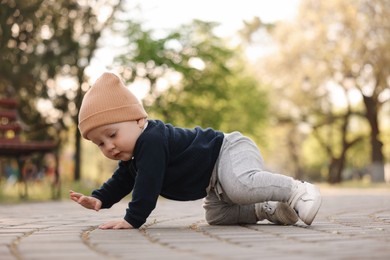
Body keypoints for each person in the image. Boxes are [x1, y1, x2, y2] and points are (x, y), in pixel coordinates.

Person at [70, 72, 321, 230]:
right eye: (100, 144)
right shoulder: (133, 156)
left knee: (239, 186)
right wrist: (101, 198)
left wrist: (133, 219)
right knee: (217, 216)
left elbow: (147, 183)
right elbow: (123, 179)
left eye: (112, 135)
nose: (109, 146)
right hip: (213, 181)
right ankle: (268, 208)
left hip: (226, 150)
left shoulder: (151, 139)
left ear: (137, 120)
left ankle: (297, 190)